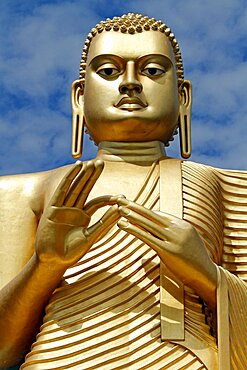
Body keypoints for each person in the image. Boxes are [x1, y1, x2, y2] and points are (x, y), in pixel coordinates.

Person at [0, 13, 246, 369]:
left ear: (183, 96)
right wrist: (45, 265)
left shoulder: (228, 188)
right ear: (79, 97)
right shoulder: (23, 192)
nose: (130, 84)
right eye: (109, 71)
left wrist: (206, 274)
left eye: (152, 70)